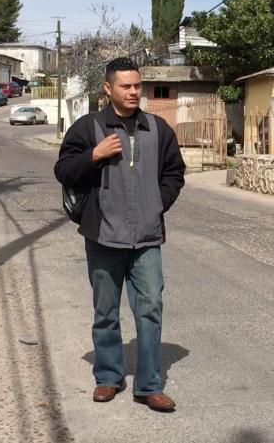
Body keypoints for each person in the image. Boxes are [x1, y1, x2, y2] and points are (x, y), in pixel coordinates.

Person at [54, 58, 185, 412]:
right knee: (106, 311)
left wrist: (159, 204)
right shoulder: (88, 128)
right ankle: (109, 377)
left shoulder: (157, 129)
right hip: (103, 237)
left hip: (146, 238)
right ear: (108, 89)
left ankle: (148, 385)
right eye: (125, 86)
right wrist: (94, 155)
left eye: (137, 86)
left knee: (150, 309)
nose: (133, 92)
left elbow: (175, 172)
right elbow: (63, 169)